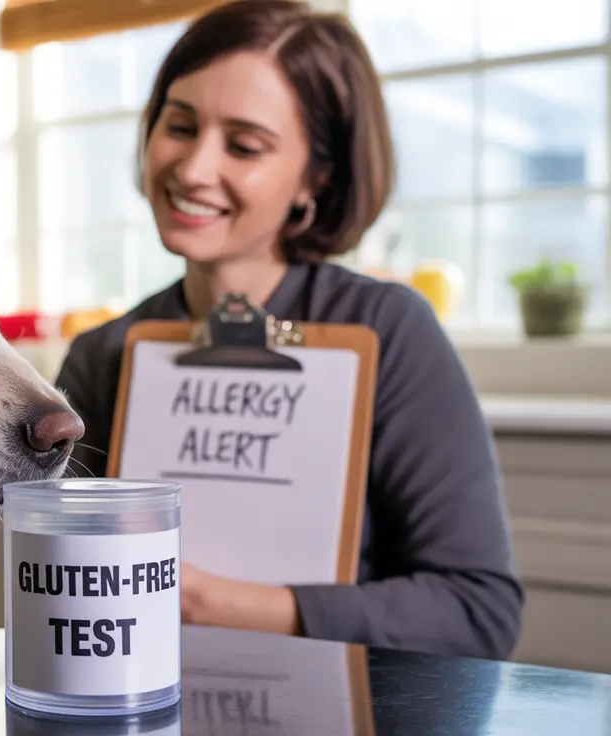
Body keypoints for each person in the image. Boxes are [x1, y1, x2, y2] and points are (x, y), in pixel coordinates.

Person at [54, 0, 524, 661]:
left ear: (315, 179)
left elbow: (478, 611)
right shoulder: (101, 357)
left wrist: (208, 601)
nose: (192, 169)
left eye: (244, 146)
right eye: (180, 126)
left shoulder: (387, 330)